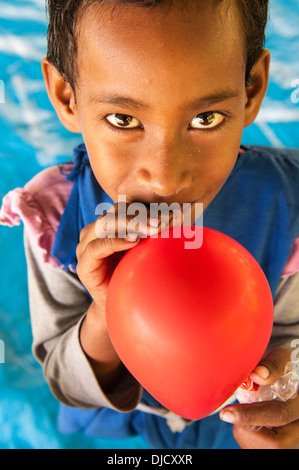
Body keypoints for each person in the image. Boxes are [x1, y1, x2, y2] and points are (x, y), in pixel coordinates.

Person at [1, 0, 299, 449]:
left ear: (252, 89)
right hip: (124, 429)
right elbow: (66, 382)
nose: (164, 178)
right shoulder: (57, 215)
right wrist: (104, 309)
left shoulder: (288, 206)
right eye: (123, 120)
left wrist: (286, 382)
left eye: (205, 118)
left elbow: (292, 337)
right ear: (67, 97)